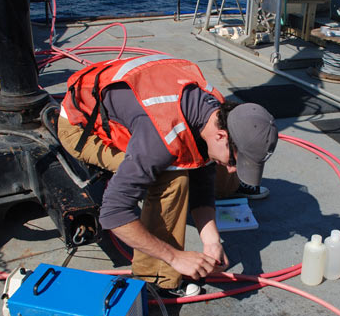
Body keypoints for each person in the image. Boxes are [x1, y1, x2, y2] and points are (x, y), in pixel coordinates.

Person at [57, 54, 278, 297]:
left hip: (147, 119)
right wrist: (175, 257)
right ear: (221, 136)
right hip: (82, 129)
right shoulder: (160, 138)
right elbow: (113, 213)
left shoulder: (217, 114)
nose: (235, 168)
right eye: (237, 161)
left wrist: (211, 239)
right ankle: (157, 276)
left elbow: (202, 174)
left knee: (213, 166)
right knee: (172, 179)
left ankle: (225, 183)